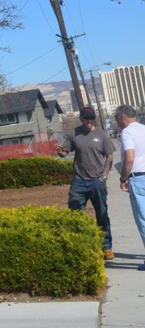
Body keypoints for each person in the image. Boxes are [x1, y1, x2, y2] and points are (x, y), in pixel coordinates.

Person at [57, 105, 115, 259]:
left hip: (97, 181)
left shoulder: (102, 135)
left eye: (91, 118)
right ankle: (81, 245)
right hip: (79, 181)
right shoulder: (74, 134)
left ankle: (106, 247)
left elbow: (109, 156)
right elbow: (65, 152)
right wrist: (61, 153)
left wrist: (104, 177)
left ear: (94, 118)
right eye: (86, 118)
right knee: (75, 213)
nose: (88, 121)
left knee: (102, 214)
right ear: (81, 118)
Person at [115, 104, 145, 258]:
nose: (117, 122)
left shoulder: (127, 132)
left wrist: (123, 178)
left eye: (116, 118)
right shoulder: (143, 128)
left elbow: (129, 158)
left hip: (138, 179)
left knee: (143, 219)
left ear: (122, 117)